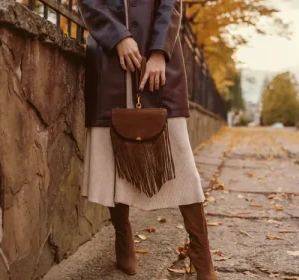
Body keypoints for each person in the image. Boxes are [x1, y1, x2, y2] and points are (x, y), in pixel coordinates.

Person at [77, 1, 218, 279]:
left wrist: (159, 51)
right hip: (108, 61)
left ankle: (201, 252)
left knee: (179, 158)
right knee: (111, 156)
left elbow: (170, 3)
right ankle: (123, 238)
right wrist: (117, 36)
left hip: (159, 63)